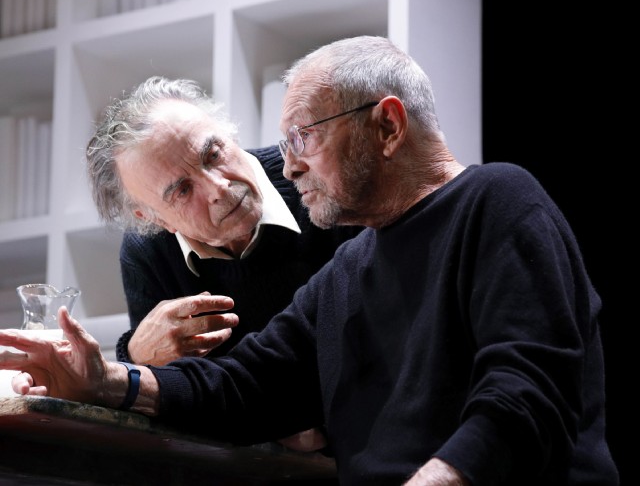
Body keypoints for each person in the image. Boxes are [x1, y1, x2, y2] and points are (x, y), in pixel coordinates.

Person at [0, 36, 619, 485]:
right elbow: (244, 386)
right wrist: (107, 380)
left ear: (388, 127)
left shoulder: (498, 200)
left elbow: (526, 395)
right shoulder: (350, 269)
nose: (286, 166)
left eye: (303, 137)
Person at [85, 76, 361, 367]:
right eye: (183, 190)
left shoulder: (317, 174)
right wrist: (136, 356)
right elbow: (168, 390)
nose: (219, 189)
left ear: (230, 134)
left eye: (213, 155)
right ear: (152, 217)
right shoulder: (148, 252)